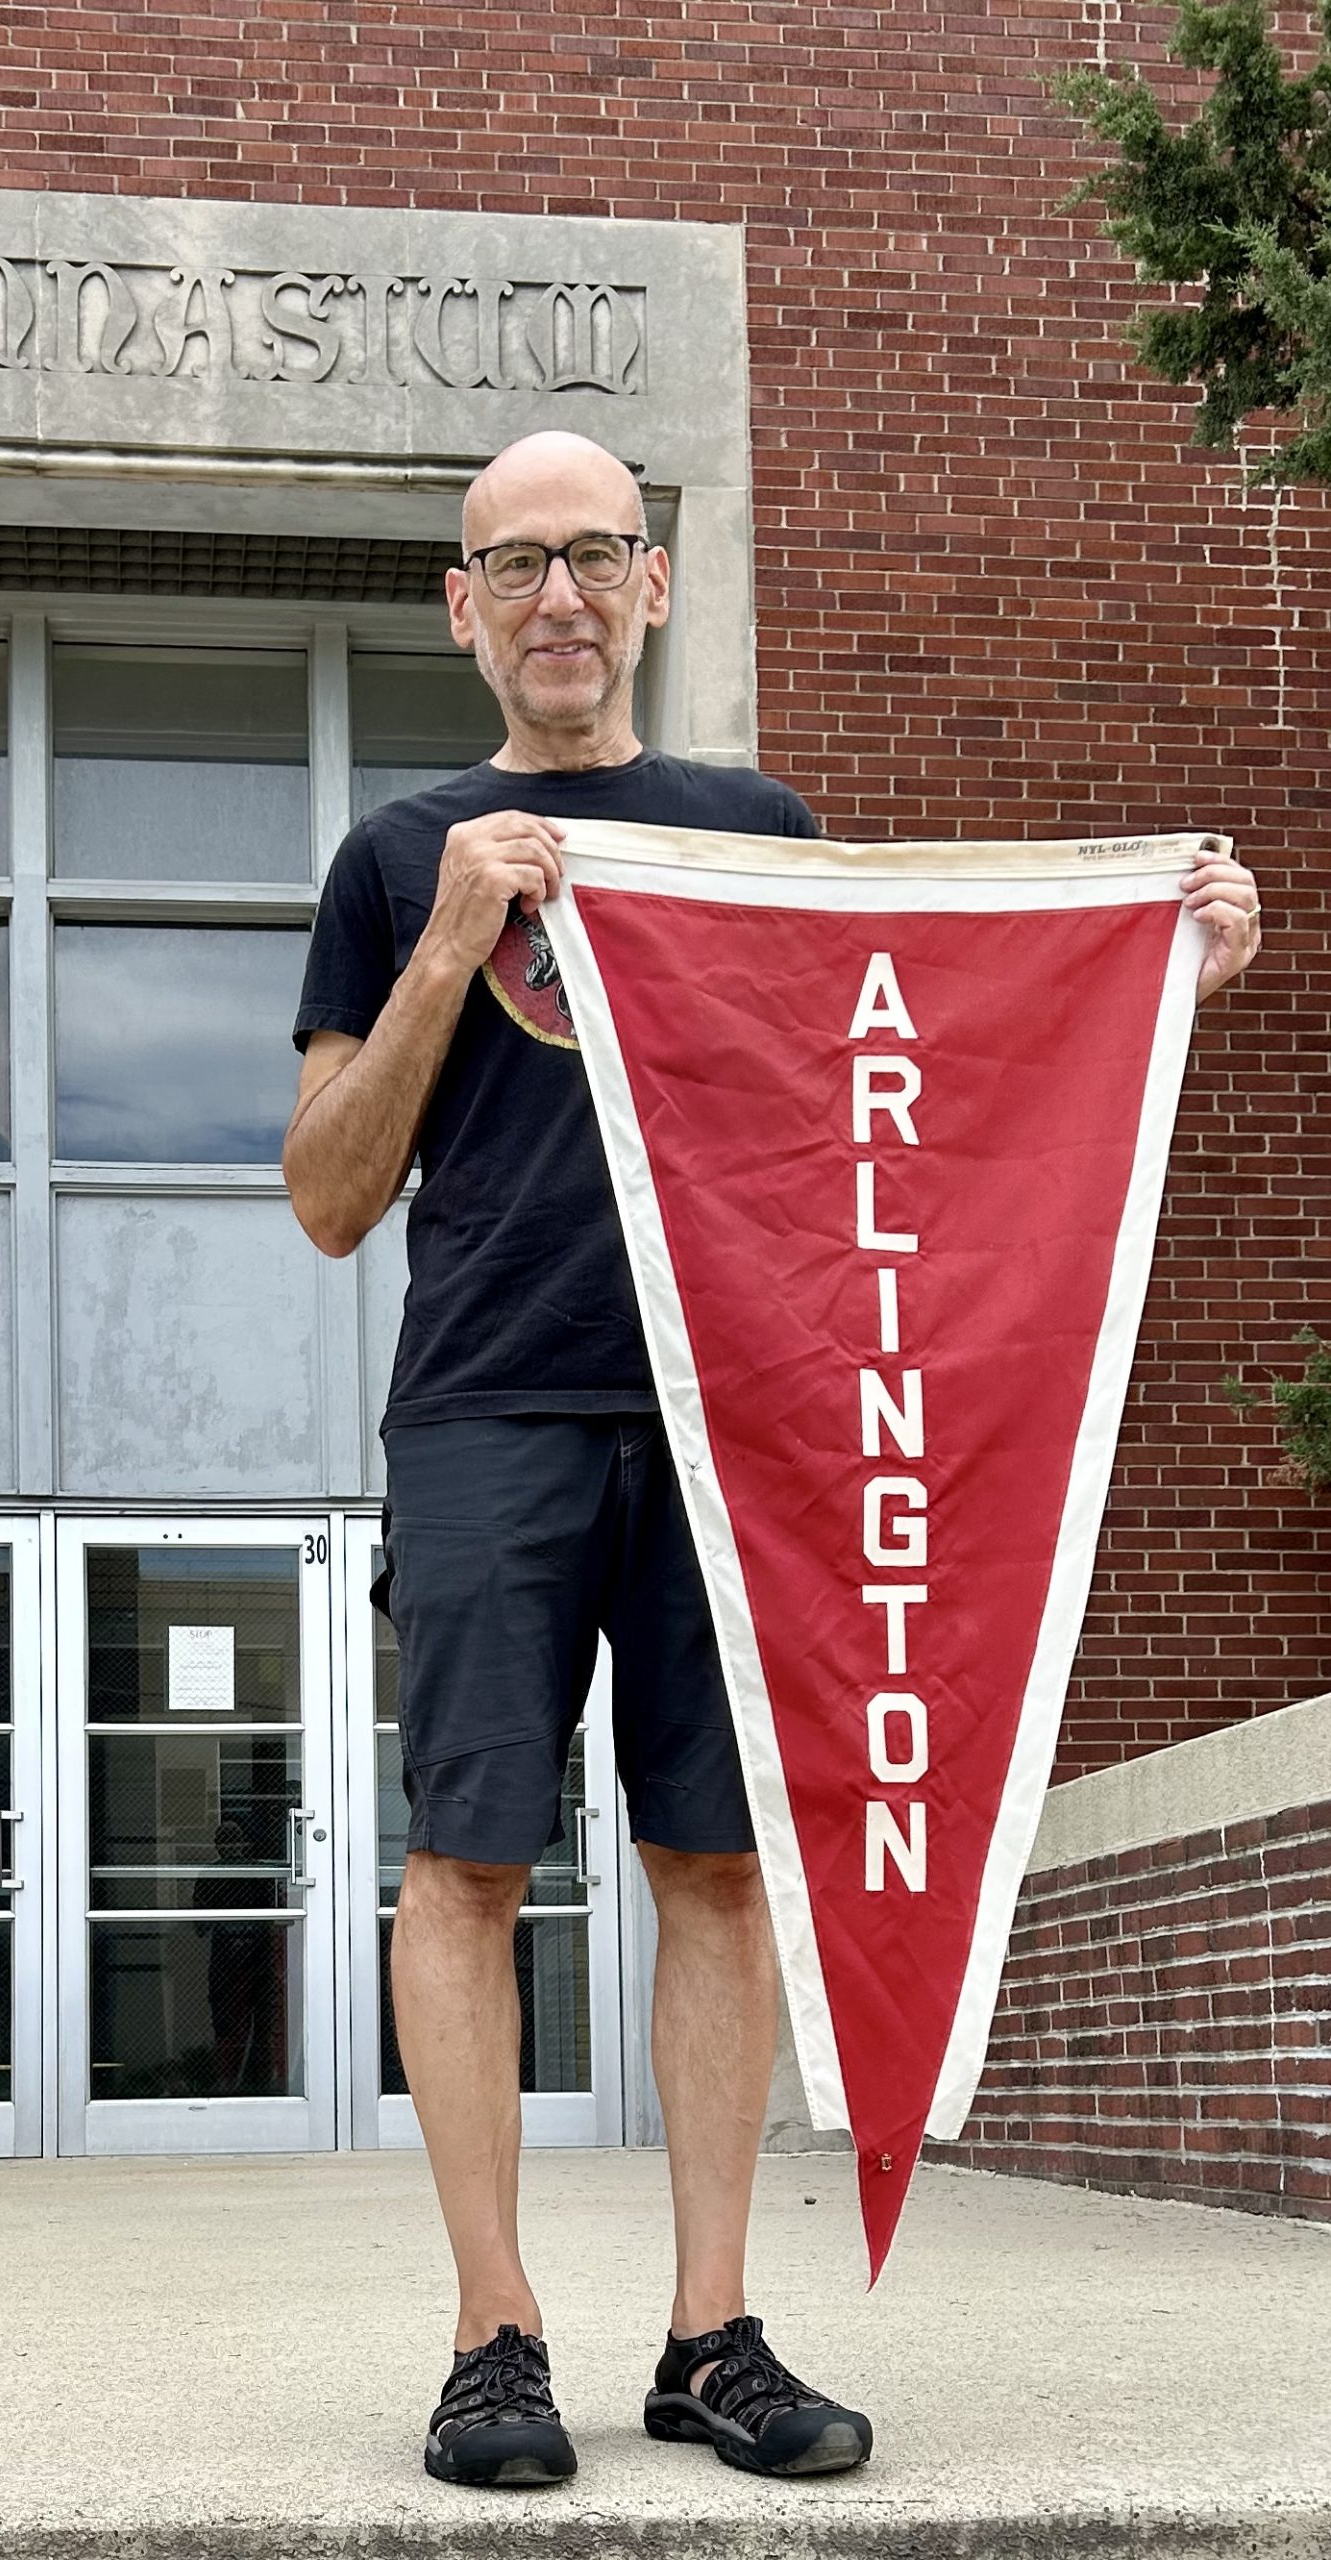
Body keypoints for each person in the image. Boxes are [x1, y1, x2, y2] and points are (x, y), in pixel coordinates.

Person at [282, 429, 1264, 2491]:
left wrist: (1157, 968)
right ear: (462, 607)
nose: (560, 595)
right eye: (515, 561)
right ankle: (492, 2337)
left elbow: (905, 1102)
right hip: (487, 1405)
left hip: (748, 1415)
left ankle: (710, 2329)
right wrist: (453, 947)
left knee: (718, 1863)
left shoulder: (757, 833)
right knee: (467, 1861)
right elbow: (325, 1191)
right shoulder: (397, 852)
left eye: (597, 556)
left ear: (651, 587)